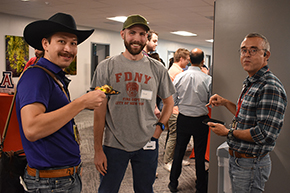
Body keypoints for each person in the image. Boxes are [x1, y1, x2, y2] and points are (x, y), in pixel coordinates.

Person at [16, 12, 106, 192]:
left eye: (73, 43)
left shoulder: (53, 77)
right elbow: (32, 129)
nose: (69, 49)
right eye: (62, 41)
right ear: (45, 44)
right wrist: (80, 103)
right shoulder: (37, 76)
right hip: (51, 183)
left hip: (63, 177)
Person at [91, 14, 175, 193]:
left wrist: (159, 128)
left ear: (146, 37)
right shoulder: (106, 67)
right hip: (114, 143)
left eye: (142, 34)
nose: (137, 38)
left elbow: (169, 102)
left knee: (145, 190)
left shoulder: (157, 68)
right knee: (107, 190)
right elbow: (99, 112)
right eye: (132, 33)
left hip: (147, 142)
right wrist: (97, 149)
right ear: (123, 34)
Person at [206, 33, 287, 193]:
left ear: (266, 55)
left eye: (253, 50)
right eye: (243, 50)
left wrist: (228, 132)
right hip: (239, 160)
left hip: (251, 164)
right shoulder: (251, 82)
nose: (247, 55)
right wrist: (224, 102)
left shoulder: (269, 86)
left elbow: (264, 134)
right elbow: (245, 114)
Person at [168, 48, 211, 193]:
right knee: (199, 154)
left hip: (184, 119)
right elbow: (211, 101)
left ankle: (173, 183)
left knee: (179, 152)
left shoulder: (180, 77)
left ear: (190, 60)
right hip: (201, 121)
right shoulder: (207, 79)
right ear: (203, 61)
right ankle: (200, 187)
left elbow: (173, 100)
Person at [163, 48, 191, 172]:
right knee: (173, 136)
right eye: (187, 60)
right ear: (181, 59)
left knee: (177, 136)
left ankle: (174, 159)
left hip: (175, 108)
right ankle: (167, 161)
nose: (188, 63)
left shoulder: (176, 70)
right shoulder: (176, 72)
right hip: (174, 109)